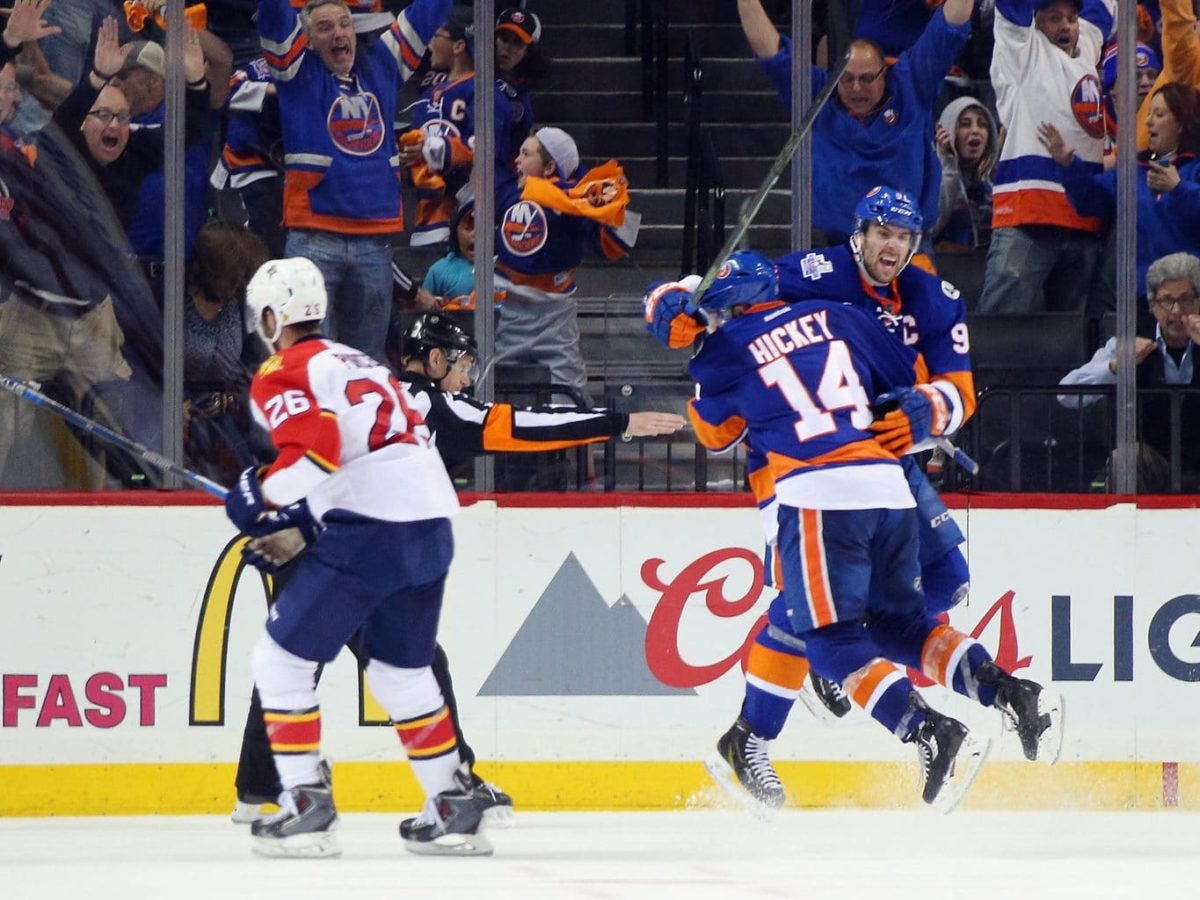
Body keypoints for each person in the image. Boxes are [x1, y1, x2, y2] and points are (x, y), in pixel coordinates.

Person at [656, 251, 1062, 813]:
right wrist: (913, 408)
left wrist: (705, 348)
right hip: (885, 486)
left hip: (815, 491)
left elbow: (714, 433)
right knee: (886, 623)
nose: (889, 246)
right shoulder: (838, 310)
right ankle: (1006, 690)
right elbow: (904, 377)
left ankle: (922, 726)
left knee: (829, 634)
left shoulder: (727, 347)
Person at [646, 186, 977, 756]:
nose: (892, 246)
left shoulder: (933, 297)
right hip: (797, 463)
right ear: (859, 234)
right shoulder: (816, 272)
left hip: (884, 460)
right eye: (883, 233)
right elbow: (727, 285)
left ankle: (836, 652)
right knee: (806, 606)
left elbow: (961, 391)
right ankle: (755, 732)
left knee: (947, 581)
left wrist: (930, 409)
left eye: (904, 237)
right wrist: (673, 304)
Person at [224, 256, 496, 857]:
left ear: (271, 318)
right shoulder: (360, 360)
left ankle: (305, 804)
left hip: (373, 530)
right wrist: (304, 518)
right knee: (401, 673)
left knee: (279, 661)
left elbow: (316, 452)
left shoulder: (281, 370)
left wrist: (260, 494)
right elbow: (359, 451)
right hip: (430, 526)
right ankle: (451, 804)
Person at [256, 0, 451, 362]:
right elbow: (275, 14)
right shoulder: (296, 72)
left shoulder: (381, 66)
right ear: (307, 40)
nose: (338, 33)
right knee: (310, 359)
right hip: (313, 239)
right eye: (325, 27)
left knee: (367, 363)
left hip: (374, 242)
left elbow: (427, 12)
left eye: (344, 24)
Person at [734, 0, 974, 247]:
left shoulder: (912, 85)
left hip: (906, 244)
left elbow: (949, 26)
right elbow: (771, 52)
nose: (856, 88)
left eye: (867, 79)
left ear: (885, 74)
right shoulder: (819, 96)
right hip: (833, 248)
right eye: (847, 79)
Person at [977, 0, 1115, 314]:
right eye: (1054, 18)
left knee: (1069, 335)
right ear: (1036, 22)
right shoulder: (1023, 49)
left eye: (1071, 18)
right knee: (1004, 325)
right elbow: (1013, 8)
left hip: (1084, 221)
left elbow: (1102, 9)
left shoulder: (1086, 46)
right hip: (1029, 216)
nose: (1066, 25)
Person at [494, 126, 640, 403]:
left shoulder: (573, 202)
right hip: (507, 310)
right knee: (498, 394)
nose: (517, 160)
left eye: (526, 154)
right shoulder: (510, 193)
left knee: (569, 399)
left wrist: (613, 205)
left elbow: (613, 245)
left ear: (550, 166)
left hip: (555, 317)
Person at [1041, 81, 1200, 300]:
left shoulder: (1195, 169)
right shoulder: (1134, 171)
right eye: (1149, 113)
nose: (1148, 121)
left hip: (1191, 296)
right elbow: (1089, 200)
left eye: (1159, 114)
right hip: (1141, 297)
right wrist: (1069, 166)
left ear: (1181, 123)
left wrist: (1179, 189)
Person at [1058, 251, 1200, 490]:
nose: (1176, 311)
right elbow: (1066, 394)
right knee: (1126, 456)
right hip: (1152, 464)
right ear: (1152, 306)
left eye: (1186, 299)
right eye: (1167, 301)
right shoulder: (1128, 341)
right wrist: (1116, 366)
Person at [398, 5, 513, 250]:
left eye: (436, 35)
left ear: (459, 46)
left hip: (472, 216)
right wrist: (410, 155)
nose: (429, 43)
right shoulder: (427, 94)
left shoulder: (484, 91)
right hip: (428, 216)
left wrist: (436, 149)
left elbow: (486, 150)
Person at [182, 220, 272, 484]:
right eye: (240, 275)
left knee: (247, 467)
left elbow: (256, 365)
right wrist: (174, 402)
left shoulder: (241, 306)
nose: (244, 283)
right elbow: (151, 361)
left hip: (231, 412)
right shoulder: (172, 302)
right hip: (179, 410)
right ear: (220, 272)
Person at [930, 95, 999, 253]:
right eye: (965, 124)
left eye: (983, 125)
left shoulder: (994, 181)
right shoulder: (928, 176)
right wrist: (949, 165)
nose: (975, 130)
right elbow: (931, 229)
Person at [1135, 0, 1200, 154]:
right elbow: (1179, 29)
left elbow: (1179, 28)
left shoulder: (1189, 64)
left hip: (1162, 161)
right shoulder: (1189, 61)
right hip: (1147, 159)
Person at [494, 7, 547, 162]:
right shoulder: (472, 72)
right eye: (504, 38)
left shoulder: (525, 97)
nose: (507, 48)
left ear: (528, 51)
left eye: (517, 42)